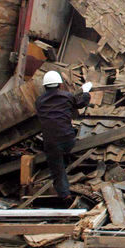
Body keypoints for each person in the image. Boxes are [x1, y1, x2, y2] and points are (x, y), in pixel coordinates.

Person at [35, 71, 92, 200]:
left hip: (51, 142)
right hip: (68, 139)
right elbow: (81, 103)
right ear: (60, 85)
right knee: (64, 152)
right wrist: (86, 91)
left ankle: (65, 195)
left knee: (57, 170)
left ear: (45, 86)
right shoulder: (67, 96)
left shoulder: (39, 101)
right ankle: (69, 168)